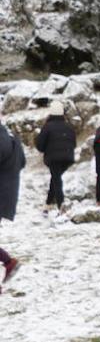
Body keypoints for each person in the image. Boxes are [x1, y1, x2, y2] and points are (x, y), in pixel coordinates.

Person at [35, 103, 76, 212]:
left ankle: (60, 205)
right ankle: (48, 203)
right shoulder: (68, 126)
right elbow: (74, 143)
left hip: (53, 158)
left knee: (56, 180)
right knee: (55, 178)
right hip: (68, 157)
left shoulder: (47, 126)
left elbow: (40, 145)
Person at [0, 121, 24, 293]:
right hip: (6, 195)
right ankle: (8, 262)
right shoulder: (11, 138)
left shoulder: (2, 139)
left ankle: (9, 261)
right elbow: (22, 162)